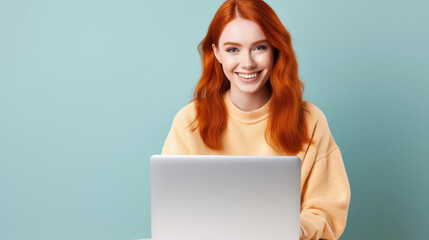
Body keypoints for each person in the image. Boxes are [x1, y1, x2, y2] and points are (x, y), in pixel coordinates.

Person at [161, 0, 351, 239]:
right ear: (216, 52)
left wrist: (294, 230)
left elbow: (326, 209)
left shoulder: (310, 120)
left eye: (259, 47)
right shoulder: (190, 120)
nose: (248, 62)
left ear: (275, 50)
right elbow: (172, 211)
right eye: (233, 49)